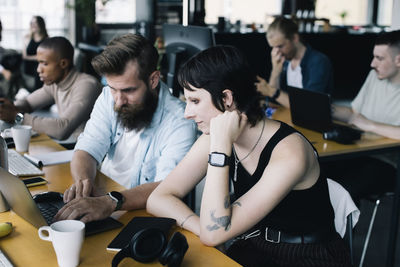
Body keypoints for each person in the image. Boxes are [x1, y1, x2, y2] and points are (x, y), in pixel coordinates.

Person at [147, 45, 351, 267]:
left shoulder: (290, 153)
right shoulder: (215, 135)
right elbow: (158, 198)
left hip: (307, 256)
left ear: (226, 98)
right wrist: (201, 226)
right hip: (255, 246)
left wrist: (220, 151)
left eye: (195, 101)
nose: (187, 113)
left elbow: (213, 235)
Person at [53, 34, 197, 223]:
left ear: (153, 80)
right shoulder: (108, 96)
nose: (119, 101)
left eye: (128, 91)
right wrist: (83, 185)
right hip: (101, 205)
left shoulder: (180, 120)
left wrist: (110, 202)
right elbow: (86, 149)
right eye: (113, 88)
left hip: (141, 216)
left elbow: (167, 188)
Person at [322, 30, 400, 201]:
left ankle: (336, 227)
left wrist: (368, 124)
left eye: (380, 58)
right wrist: (326, 109)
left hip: (390, 164)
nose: (373, 63)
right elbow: (354, 114)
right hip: (358, 152)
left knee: (341, 191)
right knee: (313, 173)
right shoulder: (375, 76)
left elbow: (361, 121)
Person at [0, 36, 102, 141]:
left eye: (44, 63)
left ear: (63, 64)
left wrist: (16, 116)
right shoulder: (55, 84)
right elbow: (28, 103)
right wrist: (7, 107)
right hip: (80, 147)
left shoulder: (87, 85)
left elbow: (62, 128)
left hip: (99, 153)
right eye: (38, 63)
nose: (39, 69)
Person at [256, 16, 333, 108]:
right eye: (273, 47)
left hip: (312, 120)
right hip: (288, 117)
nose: (276, 52)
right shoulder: (284, 61)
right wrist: (275, 71)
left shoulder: (318, 62)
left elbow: (309, 106)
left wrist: (272, 92)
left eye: (280, 46)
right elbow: (273, 101)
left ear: (295, 38)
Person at [22, 16, 48, 90]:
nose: (33, 25)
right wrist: (37, 58)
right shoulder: (27, 38)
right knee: (38, 68)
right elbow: (24, 56)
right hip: (28, 67)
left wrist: (37, 58)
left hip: (40, 66)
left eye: (35, 22)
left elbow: (46, 57)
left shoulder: (47, 39)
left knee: (40, 68)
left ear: (41, 24)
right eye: (31, 23)